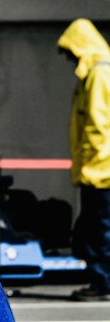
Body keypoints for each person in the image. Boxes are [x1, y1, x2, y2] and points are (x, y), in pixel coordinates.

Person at [57, 18, 110, 301]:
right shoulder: (94, 72)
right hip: (99, 169)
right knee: (98, 228)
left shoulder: (99, 74)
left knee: (100, 230)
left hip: (101, 171)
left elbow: (99, 126)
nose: (70, 58)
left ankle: (103, 284)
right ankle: (102, 282)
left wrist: (91, 166)